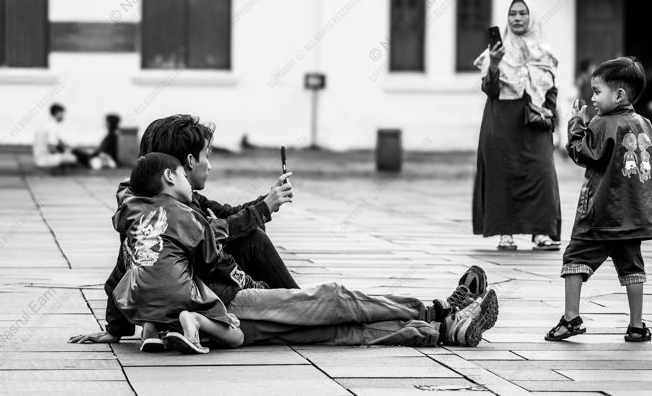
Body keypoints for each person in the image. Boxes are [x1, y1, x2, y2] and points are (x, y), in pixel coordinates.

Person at [104, 154, 499, 350]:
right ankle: (438, 312)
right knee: (332, 298)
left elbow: (122, 275)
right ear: (178, 170)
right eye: (205, 155)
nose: (207, 165)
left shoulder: (138, 216)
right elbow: (212, 249)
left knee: (329, 330)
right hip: (222, 303)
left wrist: (115, 329)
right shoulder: (179, 210)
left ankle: (440, 331)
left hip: (202, 316)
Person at [68, 114, 297, 346]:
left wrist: (268, 201)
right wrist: (263, 208)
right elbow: (212, 231)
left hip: (186, 290)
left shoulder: (152, 201)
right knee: (254, 240)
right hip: (200, 290)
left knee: (252, 233)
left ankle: (295, 303)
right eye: (206, 155)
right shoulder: (169, 210)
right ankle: (296, 304)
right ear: (187, 162)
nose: (209, 164)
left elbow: (225, 214)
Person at [546, 57, 652, 343]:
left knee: (575, 258)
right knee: (633, 267)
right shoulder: (645, 124)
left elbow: (584, 154)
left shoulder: (603, 123)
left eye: (596, 91)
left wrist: (575, 126)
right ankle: (637, 325)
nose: (592, 98)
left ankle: (571, 318)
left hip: (600, 213)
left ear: (618, 95)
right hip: (633, 215)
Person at [113, 153, 244, 354]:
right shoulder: (188, 215)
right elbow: (208, 263)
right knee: (237, 337)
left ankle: (150, 329)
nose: (188, 182)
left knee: (145, 268)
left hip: (136, 297)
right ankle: (195, 321)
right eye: (183, 176)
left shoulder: (130, 209)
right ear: (169, 176)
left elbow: (119, 221)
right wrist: (215, 232)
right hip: (177, 296)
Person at [472, 0, 562, 251]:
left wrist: (548, 115)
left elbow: (552, 90)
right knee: (503, 176)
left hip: (535, 122)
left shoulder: (545, 52)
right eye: (513, 14)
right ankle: (505, 232)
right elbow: (489, 89)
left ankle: (542, 233)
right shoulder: (495, 53)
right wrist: (496, 63)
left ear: (531, 17)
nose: (518, 18)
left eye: (523, 13)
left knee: (542, 174)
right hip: (501, 122)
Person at [32, 103, 79, 168]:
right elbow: (52, 148)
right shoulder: (53, 127)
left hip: (39, 158)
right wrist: (65, 153)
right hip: (45, 160)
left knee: (70, 154)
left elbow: (59, 141)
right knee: (74, 159)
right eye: (62, 114)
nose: (63, 116)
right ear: (57, 113)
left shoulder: (48, 124)